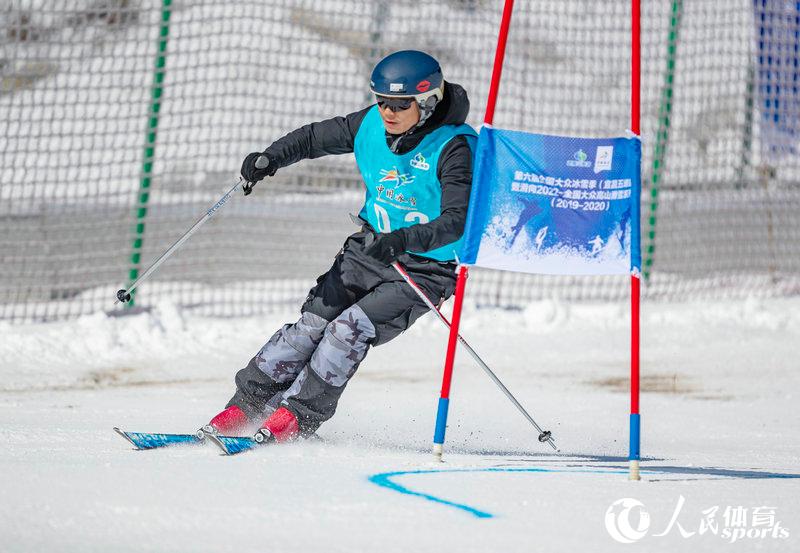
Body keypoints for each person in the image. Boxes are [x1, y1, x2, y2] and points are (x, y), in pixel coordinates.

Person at [200, 50, 477, 443]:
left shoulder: (455, 148)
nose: (388, 112)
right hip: (368, 249)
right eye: (382, 101)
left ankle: (298, 416)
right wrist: (271, 157)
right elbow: (315, 138)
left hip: (424, 269)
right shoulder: (369, 124)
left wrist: (403, 240)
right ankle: (245, 406)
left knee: (347, 331)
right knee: (309, 327)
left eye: (401, 104)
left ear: (428, 102)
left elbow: (457, 220)